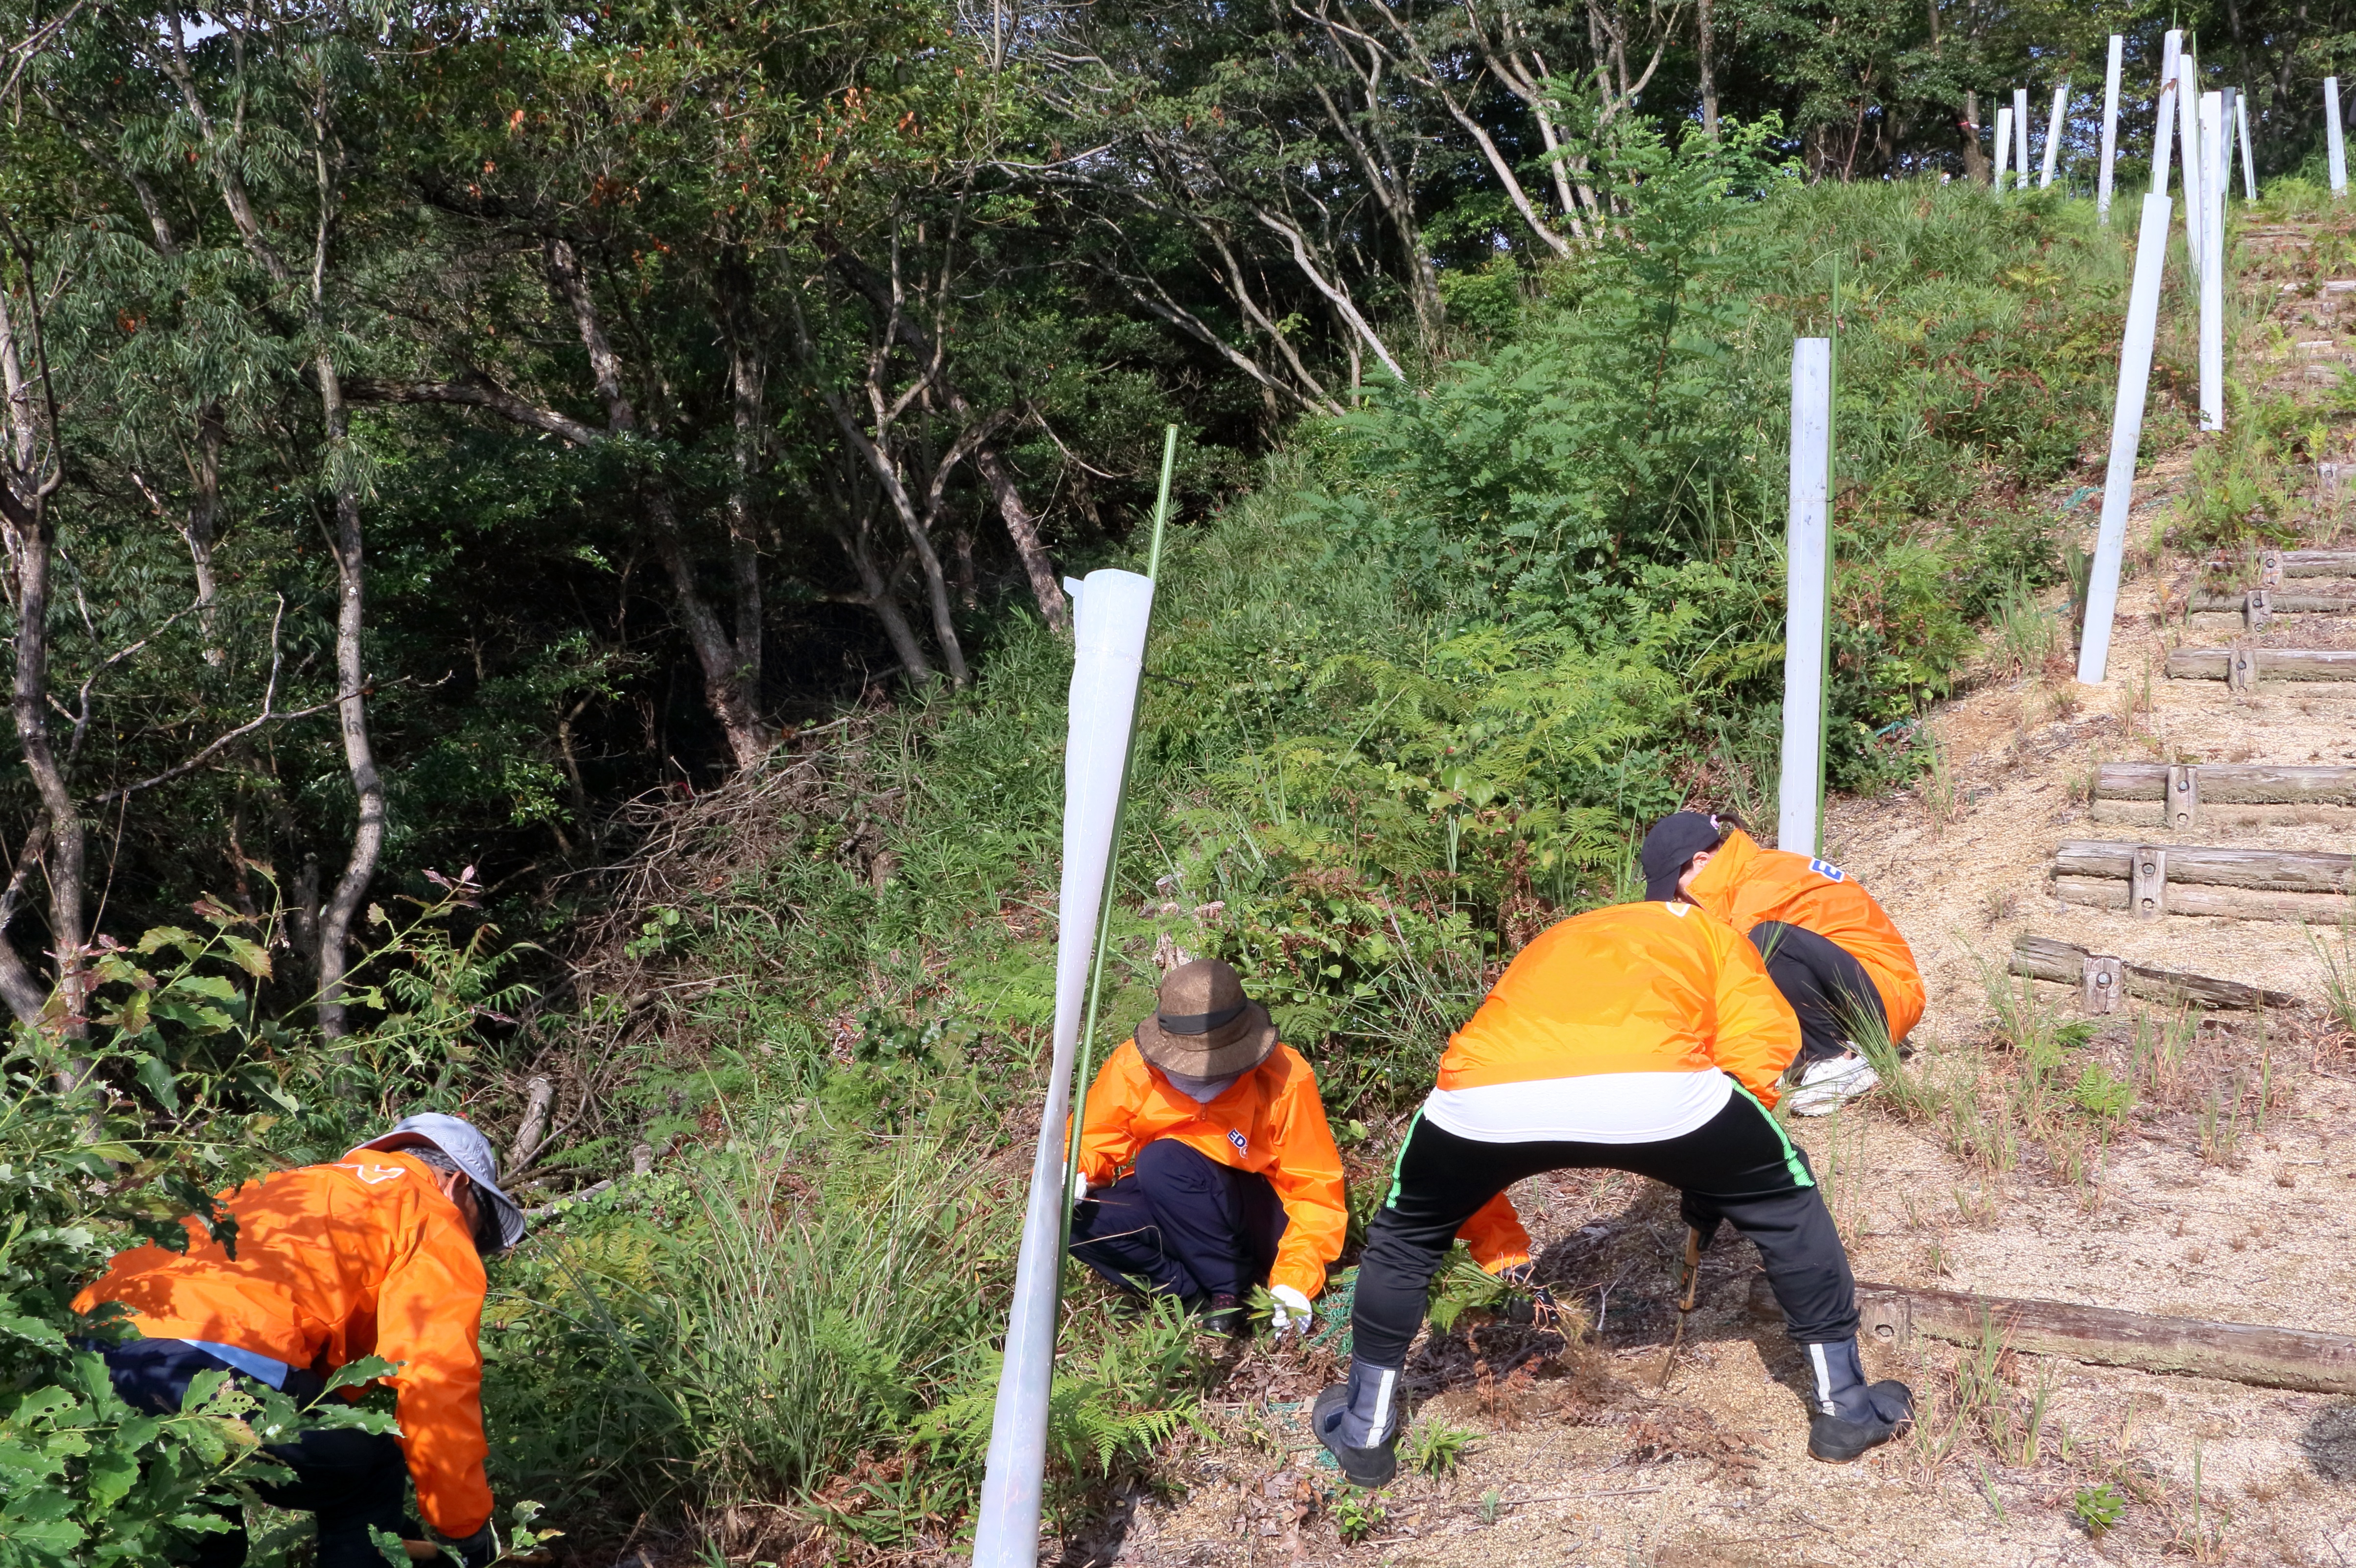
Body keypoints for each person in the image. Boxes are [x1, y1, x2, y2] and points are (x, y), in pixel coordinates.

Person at [1312, 900, 1909, 1485]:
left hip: (1483, 1095)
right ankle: (1846, 1410)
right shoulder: (1715, 933)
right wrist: (1727, 1175)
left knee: (1405, 1239)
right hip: (1657, 1087)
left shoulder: (1553, 938)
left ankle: (1365, 1430)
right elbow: (1757, 1045)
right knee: (1787, 1201)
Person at [74, 1112, 525, 1568]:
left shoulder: (293, 1184)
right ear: (458, 1185)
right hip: (210, 1362)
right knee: (370, 1465)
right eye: (479, 1221)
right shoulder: (429, 1212)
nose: (473, 1237)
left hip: (90, 1355)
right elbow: (435, 1380)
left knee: (201, 1508)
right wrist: (465, 1531)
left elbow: (316, 1362)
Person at [1068, 959, 1351, 1335]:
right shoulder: (1133, 1067)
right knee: (1070, 1220)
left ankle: (1231, 1289)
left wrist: (1295, 1278)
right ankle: (1189, 1295)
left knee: (1162, 1160)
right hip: (1177, 1203)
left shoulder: (1285, 1077)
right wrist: (1074, 1172)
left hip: (1259, 1215)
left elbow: (1315, 1191)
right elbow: (1092, 1135)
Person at [1641, 811, 1925, 1115]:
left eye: (1676, 886)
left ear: (1702, 862)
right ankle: (1834, 1046)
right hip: (1871, 992)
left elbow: (1734, 980)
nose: (1680, 899)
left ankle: (1835, 1058)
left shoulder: (1759, 888)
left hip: (1884, 998)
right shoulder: (1755, 872)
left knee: (1767, 941)